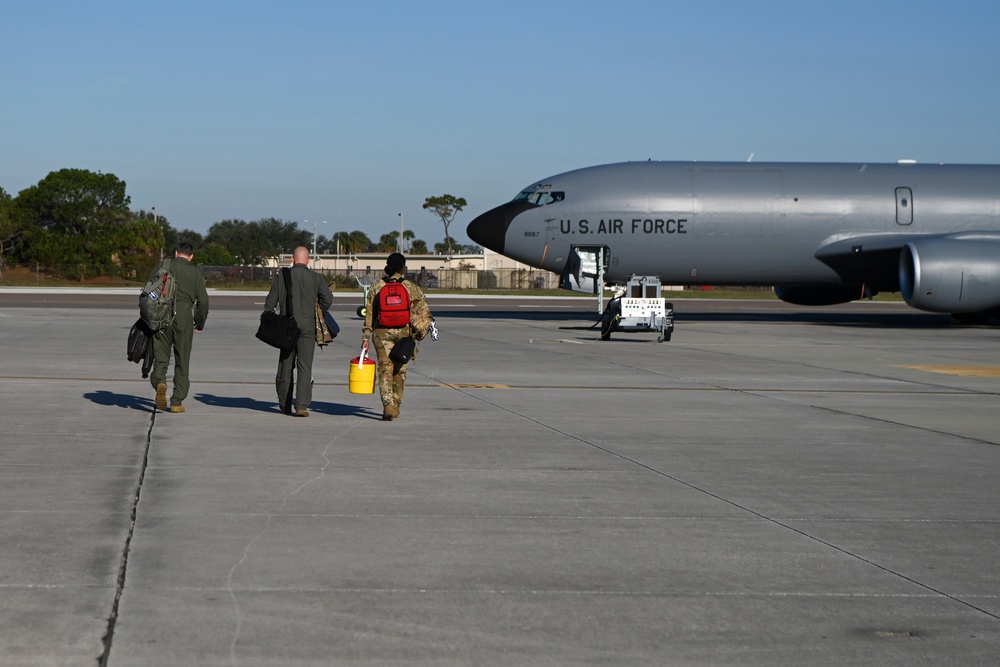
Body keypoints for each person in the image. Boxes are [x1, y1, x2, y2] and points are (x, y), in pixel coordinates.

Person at [362, 252, 432, 421]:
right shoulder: (411, 287)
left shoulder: (377, 287)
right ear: (403, 267)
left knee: (384, 368)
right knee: (399, 370)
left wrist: (366, 336)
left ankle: (386, 404)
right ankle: (396, 404)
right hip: (403, 333)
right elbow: (422, 311)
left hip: (381, 333)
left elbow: (369, 314)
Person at [264, 246, 333, 417]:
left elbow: (269, 305)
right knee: (305, 366)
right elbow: (328, 299)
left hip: (287, 327)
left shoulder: (283, 277)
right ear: (308, 260)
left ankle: (284, 403)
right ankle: (301, 405)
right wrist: (317, 310)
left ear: (292, 260)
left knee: (286, 366)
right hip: (308, 327)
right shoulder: (316, 277)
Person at [150, 242, 210, 413]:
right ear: (191, 256)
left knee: (161, 357)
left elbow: (148, 291)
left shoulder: (163, 266)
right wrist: (199, 322)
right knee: (182, 359)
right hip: (183, 316)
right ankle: (177, 401)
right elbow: (203, 302)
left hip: (162, 315)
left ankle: (160, 382)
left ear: (176, 253)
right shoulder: (195, 273)